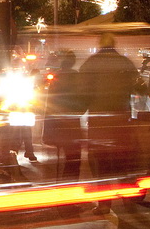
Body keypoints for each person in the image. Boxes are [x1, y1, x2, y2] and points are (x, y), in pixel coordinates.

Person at [77, 33, 141, 179]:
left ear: (100, 44)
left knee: (99, 157)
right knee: (122, 155)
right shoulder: (124, 62)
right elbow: (140, 86)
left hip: (98, 118)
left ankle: (103, 186)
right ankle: (122, 184)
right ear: (113, 44)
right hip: (121, 116)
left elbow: (83, 91)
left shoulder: (91, 63)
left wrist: (78, 110)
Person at [42, 50, 84, 180]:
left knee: (58, 160)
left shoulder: (56, 77)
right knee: (73, 158)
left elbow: (50, 104)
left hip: (57, 123)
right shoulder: (77, 77)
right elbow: (81, 100)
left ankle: (60, 182)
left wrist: (47, 131)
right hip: (72, 123)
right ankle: (70, 181)